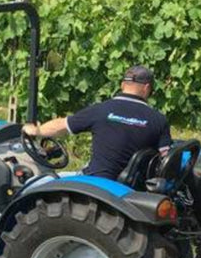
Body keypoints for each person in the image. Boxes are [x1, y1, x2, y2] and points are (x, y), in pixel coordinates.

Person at [21, 65, 171, 180]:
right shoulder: (158, 119)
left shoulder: (101, 110)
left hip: (96, 181)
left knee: (36, 183)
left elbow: (62, 125)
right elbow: (165, 159)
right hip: (129, 186)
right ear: (146, 88)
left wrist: (36, 131)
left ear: (122, 85)